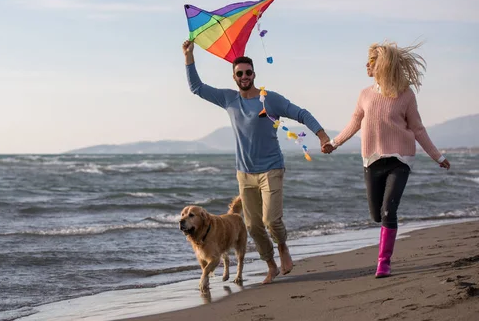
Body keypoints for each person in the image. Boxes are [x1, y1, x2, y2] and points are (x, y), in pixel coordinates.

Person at [182, 40, 331, 284]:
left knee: (271, 220)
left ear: (254, 75)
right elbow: (197, 87)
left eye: (248, 72)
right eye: (239, 73)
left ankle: (282, 247)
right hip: (245, 173)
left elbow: (301, 113)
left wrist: (322, 135)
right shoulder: (228, 99)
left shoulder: (268, 99)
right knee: (251, 226)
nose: (244, 76)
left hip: (271, 169)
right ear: (234, 77)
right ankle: (270, 264)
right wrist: (189, 57)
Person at [322, 41, 451, 278]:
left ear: (380, 65)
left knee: (388, 210)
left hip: (400, 159)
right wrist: (334, 143)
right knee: (376, 214)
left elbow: (418, 129)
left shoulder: (406, 95)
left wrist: (437, 156)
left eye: (370, 62)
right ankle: (385, 245)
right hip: (372, 160)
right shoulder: (365, 95)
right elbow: (354, 122)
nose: (366, 66)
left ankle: (384, 262)